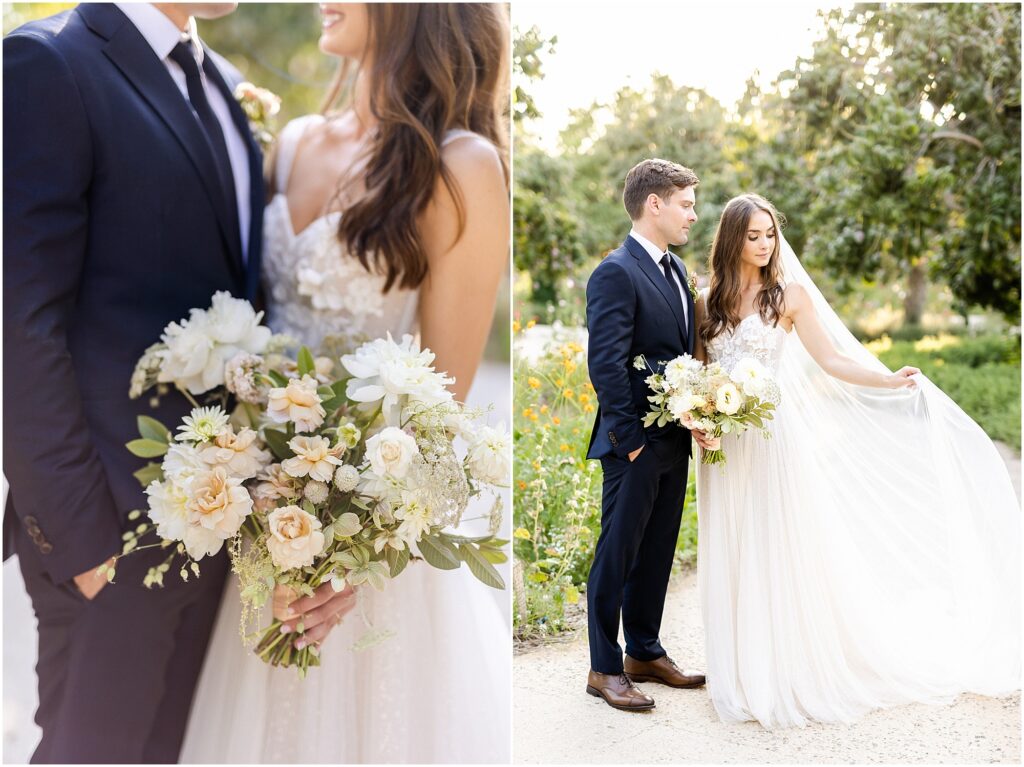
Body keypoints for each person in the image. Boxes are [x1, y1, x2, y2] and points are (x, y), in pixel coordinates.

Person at [179, 3, 512, 762]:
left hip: (368, 541)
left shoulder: (461, 166)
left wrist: (347, 559)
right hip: (256, 519)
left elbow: (441, 410)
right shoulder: (291, 142)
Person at [3, 3, 268, 761]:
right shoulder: (46, 62)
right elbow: (17, 324)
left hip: (216, 539)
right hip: (108, 543)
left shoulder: (221, 85)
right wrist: (85, 545)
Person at [695, 193, 1021, 728]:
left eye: (769, 234)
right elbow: (702, 370)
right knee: (733, 546)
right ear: (731, 238)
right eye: (752, 235)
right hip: (722, 447)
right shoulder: (707, 301)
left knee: (775, 546)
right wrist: (699, 418)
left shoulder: (790, 296)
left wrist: (888, 379)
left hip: (773, 440)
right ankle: (740, 668)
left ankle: (782, 669)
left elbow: (832, 360)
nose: (763, 244)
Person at [583, 158, 710, 712]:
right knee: (617, 551)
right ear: (653, 204)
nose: (693, 214)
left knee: (657, 549)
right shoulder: (615, 271)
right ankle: (603, 668)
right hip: (632, 442)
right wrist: (630, 438)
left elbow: (680, 354)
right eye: (685, 203)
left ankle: (644, 651)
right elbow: (606, 364)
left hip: (672, 439)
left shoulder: (678, 272)